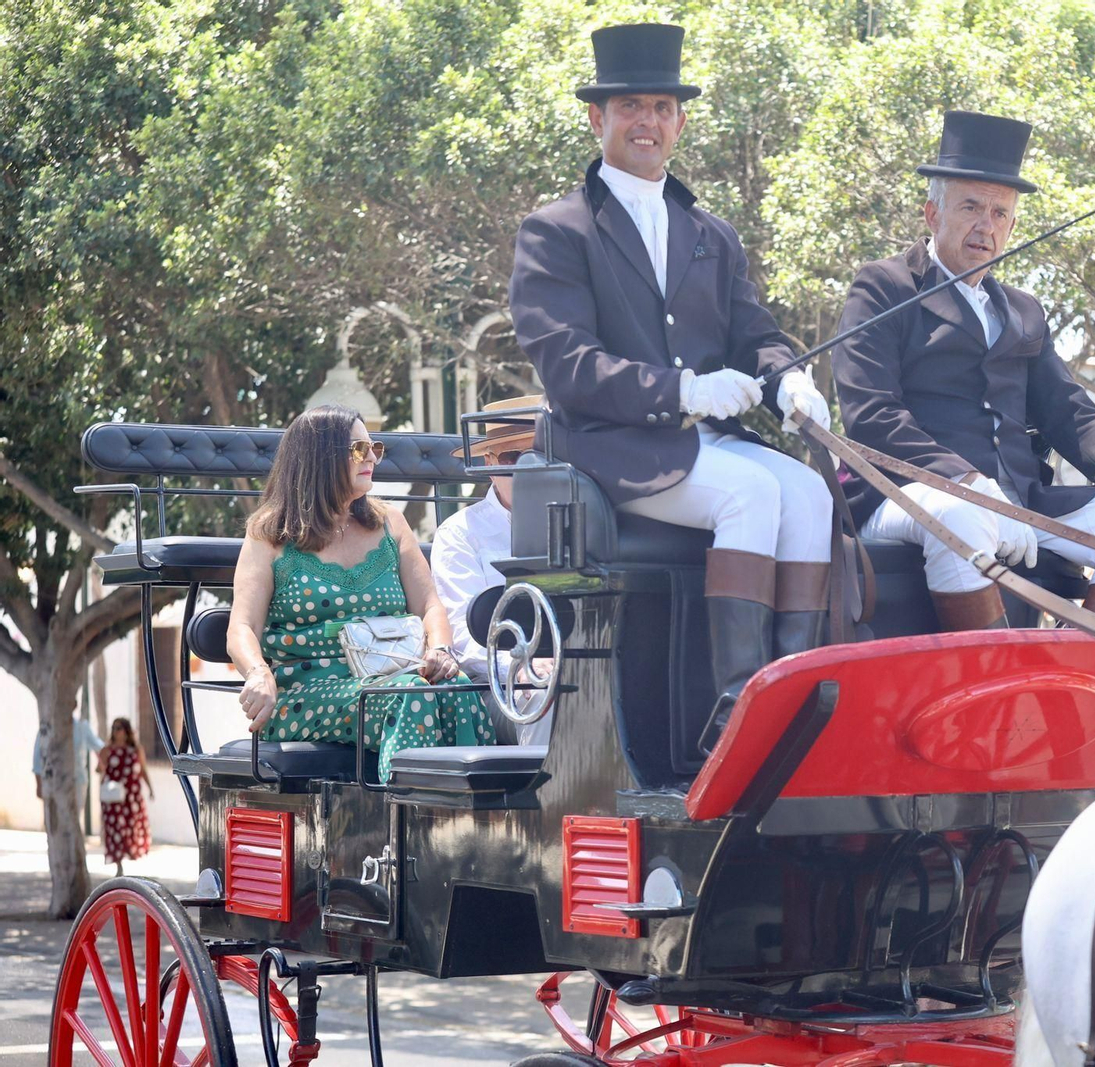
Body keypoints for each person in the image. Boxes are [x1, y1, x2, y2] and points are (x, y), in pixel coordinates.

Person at [509, 23, 834, 751]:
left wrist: (790, 382)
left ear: (680, 121)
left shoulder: (710, 233)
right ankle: (738, 709)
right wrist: (682, 391)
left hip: (706, 444)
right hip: (611, 448)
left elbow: (757, 334)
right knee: (754, 493)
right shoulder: (556, 230)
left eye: (661, 107)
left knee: (809, 491)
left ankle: (796, 694)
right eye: (631, 107)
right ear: (599, 119)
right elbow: (568, 364)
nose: (647, 122)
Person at [833, 110, 1095, 632]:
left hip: (1019, 500)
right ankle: (995, 691)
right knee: (961, 515)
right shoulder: (884, 287)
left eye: (1000, 213)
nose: (986, 225)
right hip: (906, 494)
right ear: (932, 214)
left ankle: (1075, 677)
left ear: (1013, 227)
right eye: (971, 207)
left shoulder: (1023, 311)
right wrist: (966, 481)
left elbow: (1069, 407)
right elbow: (871, 414)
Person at [227, 404, 495, 782]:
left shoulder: (390, 523)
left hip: (396, 675)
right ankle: (405, 820)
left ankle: (471, 818)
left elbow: (430, 604)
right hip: (308, 691)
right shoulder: (269, 535)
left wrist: (441, 650)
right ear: (320, 459)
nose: (371, 457)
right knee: (411, 695)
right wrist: (257, 673)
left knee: (458, 685)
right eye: (358, 449)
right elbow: (242, 625)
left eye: (375, 448)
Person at [432, 395, 553, 748]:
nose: (526, 469)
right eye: (512, 458)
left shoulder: (587, 523)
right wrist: (521, 667)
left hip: (580, 671)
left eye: (538, 456)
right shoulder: (459, 534)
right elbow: (462, 641)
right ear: (488, 462)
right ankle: (543, 800)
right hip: (498, 690)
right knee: (544, 695)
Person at [95, 717, 153, 876]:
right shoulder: (108, 749)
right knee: (115, 830)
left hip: (131, 797)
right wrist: (102, 758)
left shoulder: (136, 749)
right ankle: (118, 864)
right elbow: (100, 769)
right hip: (113, 798)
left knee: (131, 828)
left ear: (126, 730)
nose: (115, 731)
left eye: (119, 728)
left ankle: (132, 855)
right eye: (113, 728)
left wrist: (150, 788)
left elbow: (143, 770)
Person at [32, 714, 105, 829]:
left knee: (72, 821)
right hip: (53, 782)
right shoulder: (47, 727)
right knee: (54, 821)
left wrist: (101, 762)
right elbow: (37, 757)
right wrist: (39, 784)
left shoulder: (82, 726)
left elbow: (98, 746)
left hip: (77, 782)